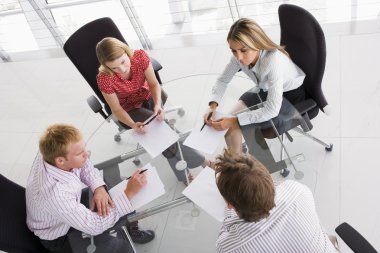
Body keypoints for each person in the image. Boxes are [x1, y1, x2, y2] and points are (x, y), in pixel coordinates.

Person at [96, 37, 212, 184]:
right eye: (114, 68)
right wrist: (132, 125)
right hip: (129, 109)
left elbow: (153, 83)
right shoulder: (104, 78)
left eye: (123, 62)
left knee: (164, 134)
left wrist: (158, 104)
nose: (122, 69)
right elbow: (117, 109)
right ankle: (202, 162)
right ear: (106, 67)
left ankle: (185, 172)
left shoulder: (139, 56)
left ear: (127, 52)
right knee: (166, 134)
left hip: (149, 95)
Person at [26, 123, 154, 253]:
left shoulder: (51, 151)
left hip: (69, 205)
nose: (86, 154)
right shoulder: (54, 194)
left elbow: (85, 165)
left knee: (115, 194)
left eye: (84, 148)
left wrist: (98, 187)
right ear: (60, 161)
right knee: (121, 248)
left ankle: (130, 228)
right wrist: (128, 194)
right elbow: (94, 226)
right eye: (80, 153)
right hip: (60, 235)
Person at [205, 18, 306, 155]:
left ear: (257, 44)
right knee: (228, 127)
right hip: (264, 89)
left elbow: (271, 110)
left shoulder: (273, 62)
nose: (238, 57)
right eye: (233, 51)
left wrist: (234, 120)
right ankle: (236, 164)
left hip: (290, 96)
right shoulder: (238, 57)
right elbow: (222, 80)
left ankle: (239, 167)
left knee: (233, 124)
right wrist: (213, 106)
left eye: (243, 50)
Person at [214, 150, 337, 253]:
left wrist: (231, 208)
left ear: (229, 204)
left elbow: (226, 230)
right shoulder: (298, 191)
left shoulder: (228, 247)